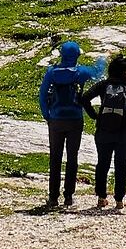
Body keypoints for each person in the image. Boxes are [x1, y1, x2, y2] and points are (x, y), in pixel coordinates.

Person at [82, 51, 126, 208]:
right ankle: (119, 200)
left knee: (102, 164)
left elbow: (85, 98)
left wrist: (94, 115)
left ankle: (101, 198)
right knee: (121, 165)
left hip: (104, 129)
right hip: (124, 131)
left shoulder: (104, 85)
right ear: (125, 71)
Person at [37, 39, 92, 210]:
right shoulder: (80, 72)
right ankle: (68, 196)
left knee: (55, 157)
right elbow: (98, 71)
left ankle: (53, 197)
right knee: (72, 157)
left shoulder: (51, 72)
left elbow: (42, 94)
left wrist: (47, 115)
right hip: (75, 119)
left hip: (56, 120)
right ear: (76, 55)